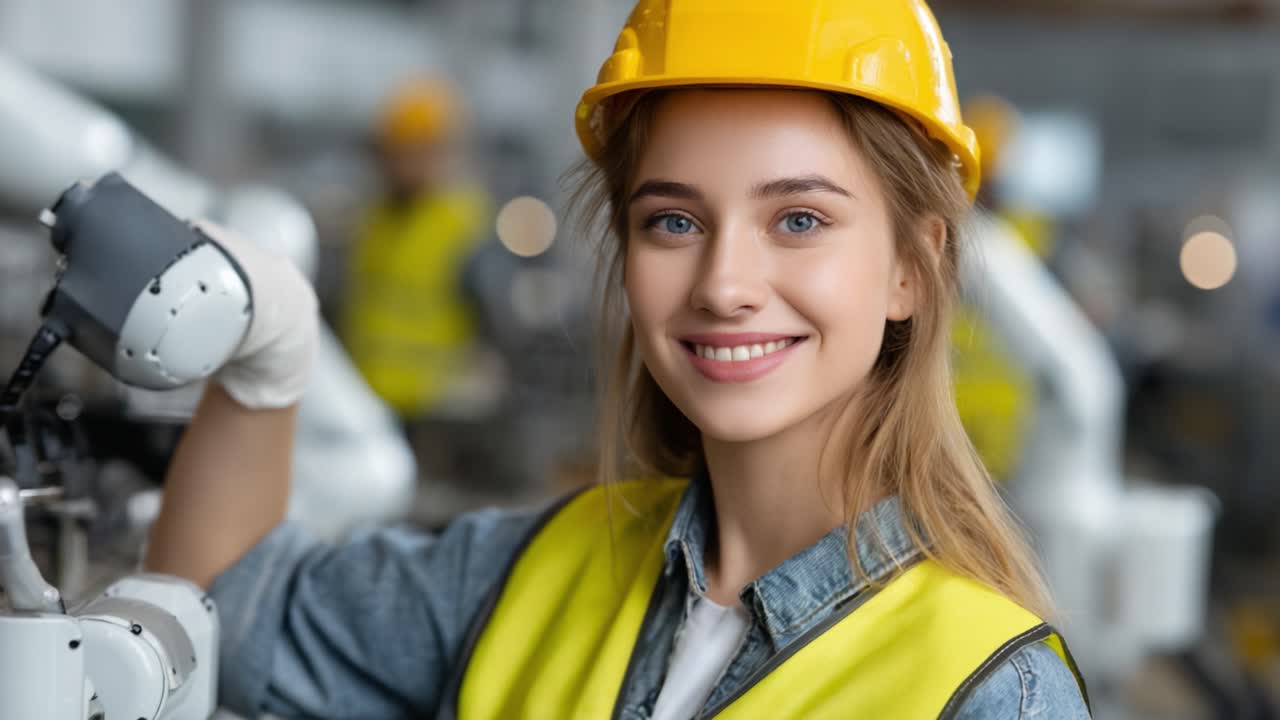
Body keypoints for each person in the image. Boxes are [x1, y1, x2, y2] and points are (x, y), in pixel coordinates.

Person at [145, 1, 1092, 717]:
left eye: (798, 220)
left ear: (910, 272)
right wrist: (266, 356)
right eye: (673, 220)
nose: (724, 283)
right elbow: (213, 615)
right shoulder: (525, 573)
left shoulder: (988, 691)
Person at [341, 78, 493, 420]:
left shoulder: (465, 224)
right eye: (392, 151)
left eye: (411, 151)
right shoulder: (372, 218)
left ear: (438, 152)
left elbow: (490, 322)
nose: (398, 163)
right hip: (366, 399)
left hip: (434, 409)